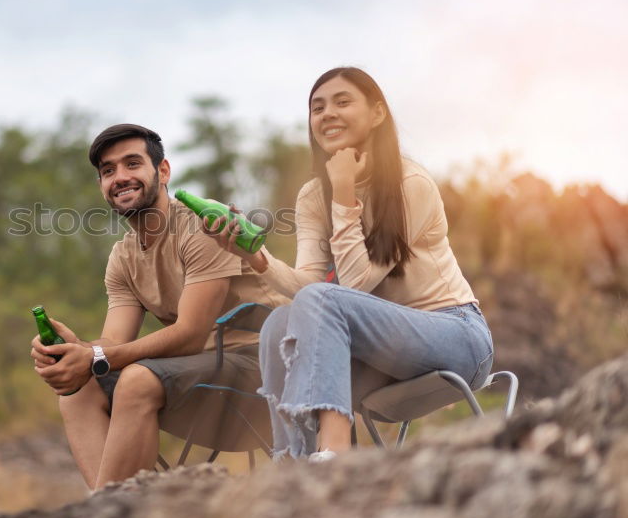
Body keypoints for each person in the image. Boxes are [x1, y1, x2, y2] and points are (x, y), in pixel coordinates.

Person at [205, 67, 494, 461]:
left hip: (455, 336)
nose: (327, 114)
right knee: (279, 324)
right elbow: (309, 285)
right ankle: (293, 460)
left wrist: (343, 191)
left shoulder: (411, 184)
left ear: (377, 113)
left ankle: (334, 454)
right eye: (317, 107)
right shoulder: (312, 197)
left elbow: (352, 288)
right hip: (382, 354)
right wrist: (255, 258)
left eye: (343, 102)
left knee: (322, 301)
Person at [30, 124, 290, 489]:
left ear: (163, 171)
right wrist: (78, 351)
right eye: (108, 171)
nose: (120, 177)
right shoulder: (123, 257)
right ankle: (109, 512)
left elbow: (189, 335)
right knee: (78, 392)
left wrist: (95, 357)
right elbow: (113, 342)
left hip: (268, 371)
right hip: (203, 382)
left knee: (136, 379)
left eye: (132, 164)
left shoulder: (204, 225)